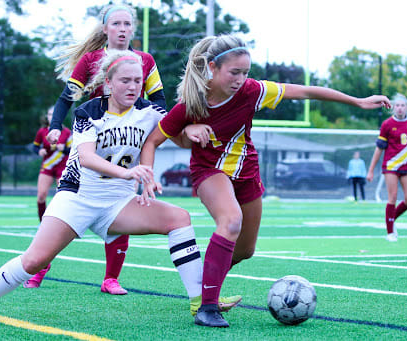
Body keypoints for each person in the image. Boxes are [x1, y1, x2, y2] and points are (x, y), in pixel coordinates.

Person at [140, 34, 391, 327]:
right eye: (234, 72)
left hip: (247, 173)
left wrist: (357, 101)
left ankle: (206, 285)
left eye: (245, 72)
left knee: (245, 250)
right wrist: (148, 173)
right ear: (212, 67)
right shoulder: (191, 104)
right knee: (230, 221)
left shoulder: (252, 91)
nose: (241, 79)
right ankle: (207, 307)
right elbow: (153, 141)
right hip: (209, 171)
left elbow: (306, 91)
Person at [0, 50, 239, 326]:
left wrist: (188, 130)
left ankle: (200, 303)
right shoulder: (89, 111)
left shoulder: (150, 111)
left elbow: (175, 133)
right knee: (33, 261)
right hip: (78, 197)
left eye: (138, 81)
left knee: (179, 219)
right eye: (125, 80)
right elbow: (88, 158)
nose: (132, 86)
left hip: (117, 203)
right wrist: (130, 173)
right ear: (108, 83)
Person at [45, 3, 166, 295]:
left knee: (121, 206)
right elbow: (66, 98)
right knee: (66, 207)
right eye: (117, 24)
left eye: (127, 25)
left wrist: (156, 131)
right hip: (90, 141)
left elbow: (160, 102)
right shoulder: (90, 60)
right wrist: (54, 126)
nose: (123, 30)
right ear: (105, 29)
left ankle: (111, 278)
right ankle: (40, 264)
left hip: (126, 144)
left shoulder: (145, 60)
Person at [366, 93, 407, 242]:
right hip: (391, 166)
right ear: (393, 107)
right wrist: (371, 169)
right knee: (392, 197)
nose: (400, 108)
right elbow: (379, 148)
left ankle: (391, 219)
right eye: (397, 105)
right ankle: (390, 232)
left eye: (402, 105)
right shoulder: (387, 124)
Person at [25, 107, 72, 288]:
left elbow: (73, 149)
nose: (53, 116)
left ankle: (61, 224)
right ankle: (42, 224)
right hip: (48, 166)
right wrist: (39, 152)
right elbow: (35, 147)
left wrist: (64, 148)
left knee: (63, 198)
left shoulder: (67, 132)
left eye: (55, 113)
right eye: (50, 114)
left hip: (62, 167)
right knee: (41, 196)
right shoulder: (43, 131)